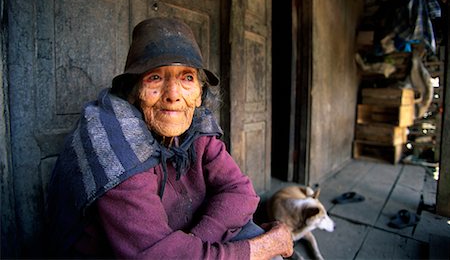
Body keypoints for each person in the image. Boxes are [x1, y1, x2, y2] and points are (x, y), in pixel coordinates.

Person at [46, 17, 293, 259]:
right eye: (155, 77)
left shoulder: (193, 123)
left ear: (199, 94)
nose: (173, 95)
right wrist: (260, 249)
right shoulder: (114, 145)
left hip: (180, 238)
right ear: (133, 92)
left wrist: (193, 243)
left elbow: (240, 192)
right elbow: (157, 255)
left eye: (187, 77)